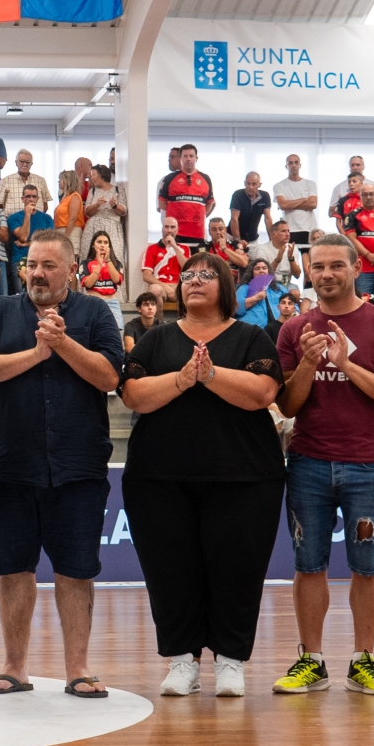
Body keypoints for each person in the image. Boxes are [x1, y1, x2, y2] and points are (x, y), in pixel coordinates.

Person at [119, 250, 284, 696]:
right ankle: (182, 661)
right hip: (159, 478)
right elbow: (133, 394)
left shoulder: (251, 336)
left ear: (226, 286)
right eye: (188, 275)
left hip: (244, 478)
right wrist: (182, 378)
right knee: (170, 571)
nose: (194, 280)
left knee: (238, 570)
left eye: (206, 275)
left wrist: (210, 375)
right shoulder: (157, 338)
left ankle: (230, 661)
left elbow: (263, 392)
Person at [0, 232, 122, 699]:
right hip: (7, 465)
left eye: (48, 266)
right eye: (31, 265)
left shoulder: (96, 313)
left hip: (78, 466)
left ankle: (78, 669)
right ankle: (14, 667)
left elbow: (109, 376)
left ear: (72, 270)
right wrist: (37, 353)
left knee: (76, 570)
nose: (37, 273)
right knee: (13, 568)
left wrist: (62, 344)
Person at [273, 234, 374, 695]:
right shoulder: (294, 330)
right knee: (308, 564)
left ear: (356, 269)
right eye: (318, 267)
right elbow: (288, 406)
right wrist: (309, 364)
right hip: (307, 462)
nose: (327, 274)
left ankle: (363, 661)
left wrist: (346, 364)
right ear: (308, 272)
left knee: (367, 565)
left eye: (336, 265)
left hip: (368, 463)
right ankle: (311, 661)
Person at [158, 144, 214, 251]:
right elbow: (162, 204)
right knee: (174, 261)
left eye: (191, 156)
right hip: (175, 233)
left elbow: (210, 203)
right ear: (181, 158)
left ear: (196, 158)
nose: (188, 159)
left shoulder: (205, 178)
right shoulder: (169, 178)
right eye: (185, 156)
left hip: (197, 233)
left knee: (198, 261)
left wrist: (198, 215)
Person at [0, 185, 52, 283]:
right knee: (22, 291)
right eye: (28, 196)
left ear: (38, 199)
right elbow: (23, 237)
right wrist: (27, 215)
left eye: (34, 196)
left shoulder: (47, 218)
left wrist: (27, 244)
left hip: (42, 259)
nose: (31, 199)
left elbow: (50, 243)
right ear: (22, 199)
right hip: (20, 259)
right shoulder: (13, 218)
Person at [80, 232, 125, 327]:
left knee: (115, 330)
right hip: (92, 301)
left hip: (112, 303)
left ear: (109, 246)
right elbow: (87, 284)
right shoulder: (85, 263)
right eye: (99, 242)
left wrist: (108, 261)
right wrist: (99, 265)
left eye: (105, 242)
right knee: (92, 331)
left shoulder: (117, 263)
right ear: (93, 245)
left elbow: (116, 280)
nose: (102, 245)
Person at [141, 217, 186, 308]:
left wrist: (175, 247)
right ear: (162, 229)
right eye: (166, 227)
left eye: (172, 227)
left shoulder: (185, 249)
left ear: (177, 230)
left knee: (190, 291)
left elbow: (187, 268)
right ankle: (158, 318)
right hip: (160, 285)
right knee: (155, 290)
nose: (169, 230)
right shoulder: (151, 249)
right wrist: (166, 287)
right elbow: (146, 276)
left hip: (179, 286)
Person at [274, 154, 317, 246]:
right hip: (290, 229)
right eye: (290, 163)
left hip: (309, 228)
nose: (293, 165)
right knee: (290, 254)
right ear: (286, 166)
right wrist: (303, 200)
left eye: (296, 162)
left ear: (300, 165)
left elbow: (313, 204)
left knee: (309, 254)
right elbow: (283, 205)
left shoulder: (310, 184)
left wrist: (290, 204)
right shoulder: (279, 186)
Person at [229, 171, 273, 245]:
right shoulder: (238, 195)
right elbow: (234, 219)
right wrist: (237, 240)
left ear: (259, 184)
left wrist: (272, 239)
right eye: (248, 184)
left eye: (254, 184)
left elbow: (268, 219)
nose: (250, 187)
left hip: (252, 238)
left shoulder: (265, 196)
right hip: (233, 236)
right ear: (244, 183)